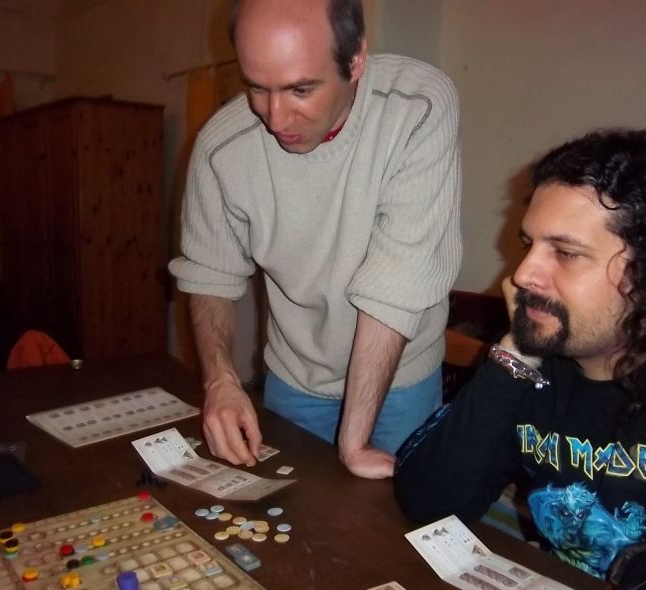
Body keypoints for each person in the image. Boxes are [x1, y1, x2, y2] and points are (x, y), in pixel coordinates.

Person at [394, 129, 646, 590]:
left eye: (565, 253)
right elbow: (427, 500)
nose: (522, 275)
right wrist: (515, 353)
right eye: (529, 245)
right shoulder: (537, 368)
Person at [169, 0, 461, 479]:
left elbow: (398, 283)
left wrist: (354, 439)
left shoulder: (419, 107)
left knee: (388, 538)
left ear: (356, 60)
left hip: (402, 382)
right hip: (293, 378)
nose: (275, 117)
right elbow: (209, 274)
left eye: (300, 89)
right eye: (256, 88)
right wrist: (220, 381)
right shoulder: (221, 147)